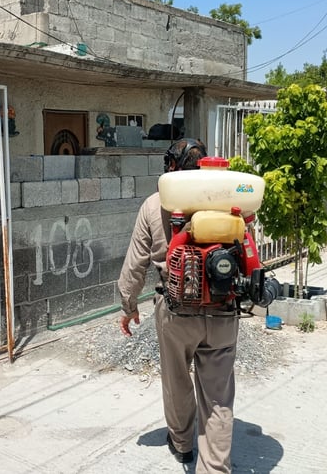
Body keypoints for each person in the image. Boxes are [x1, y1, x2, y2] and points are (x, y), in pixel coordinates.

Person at [117, 138, 239, 473]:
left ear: (171, 166)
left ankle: (183, 443)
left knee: (176, 380)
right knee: (217, 396)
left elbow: (135, 264)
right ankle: (214, 467)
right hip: (223, 311)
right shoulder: (229, 201)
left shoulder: (154, 204)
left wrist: (128, 305)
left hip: (175, 311)